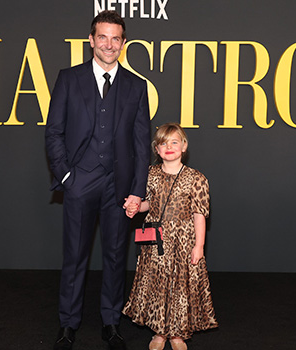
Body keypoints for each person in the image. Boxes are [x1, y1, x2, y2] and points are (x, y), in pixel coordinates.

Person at [44, 10, 151, 350]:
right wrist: (66, 176)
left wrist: (137, 191)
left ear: (123, 43)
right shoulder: (69, 79)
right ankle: (68, 323)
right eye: (102, 37)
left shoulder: (136, 86)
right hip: (80, 181)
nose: (108, 44)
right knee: (75, 256)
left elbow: (140, 143)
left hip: (118, 187)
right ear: (91, 40)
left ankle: (111, 322)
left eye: (115, 38)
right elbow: (54, 133)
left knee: (116, 256)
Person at [122, 123, 218, 350]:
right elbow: (148, 204)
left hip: (183, 242)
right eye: (163, 143)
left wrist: (199, 245)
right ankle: (158, 333)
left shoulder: (197, 178)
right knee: (156, 284)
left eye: (175, 142)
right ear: (156, 149)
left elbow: (199, 215)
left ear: (184, 146)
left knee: (179, 287)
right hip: (155, 241)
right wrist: (136, 207)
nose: (169, 147)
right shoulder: (149, 174)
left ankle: (177, 334)